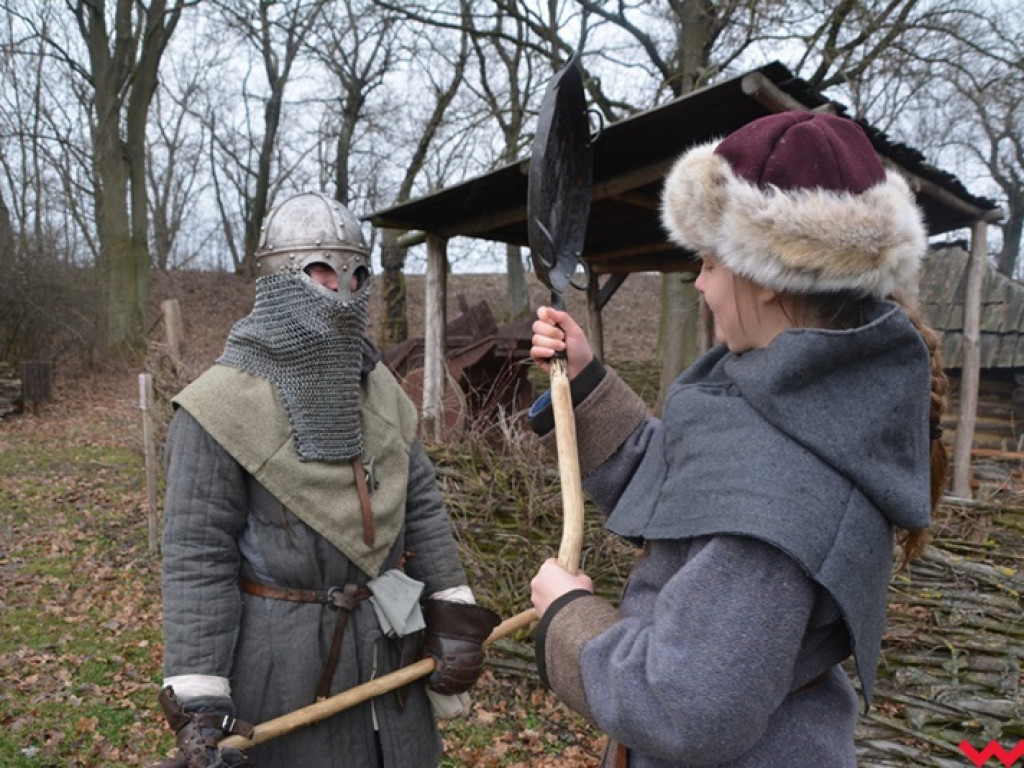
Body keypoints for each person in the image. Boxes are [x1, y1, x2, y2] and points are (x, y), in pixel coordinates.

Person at [526, 112, 948, 767]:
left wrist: (570, 616)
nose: (698, 282)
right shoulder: (802, 404)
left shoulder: (784, 487)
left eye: (708, 261)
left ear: (769, 275)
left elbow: (685, 706)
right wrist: (585, 383)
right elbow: (687, 489)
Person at [156, 191, 499, 768]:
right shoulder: (216, 407)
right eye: (323, 273)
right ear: (279, 281)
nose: (344, 291)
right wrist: (200, 704)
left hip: (390, 659)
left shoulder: (379, 390)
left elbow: (422, 508)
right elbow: (197, 558)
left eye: (358, 275)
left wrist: (453, 613)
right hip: (280, 673)